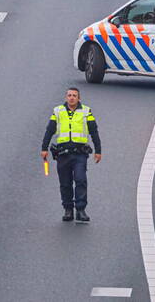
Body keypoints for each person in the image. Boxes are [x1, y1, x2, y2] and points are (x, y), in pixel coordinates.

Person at [41, 87, 102, 223]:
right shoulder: (58, 111)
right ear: (66, 98)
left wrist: (98, 150)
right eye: (69, 95)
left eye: (74, 95)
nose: (72, 97)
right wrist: (44, 148)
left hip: (79, 154)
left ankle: (80, 210)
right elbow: (49, 130)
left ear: (79, 98)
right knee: (65, 183)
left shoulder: (86, 111)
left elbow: (94, 131)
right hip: (62, 154)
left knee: (80, 180)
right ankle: (68, 210)